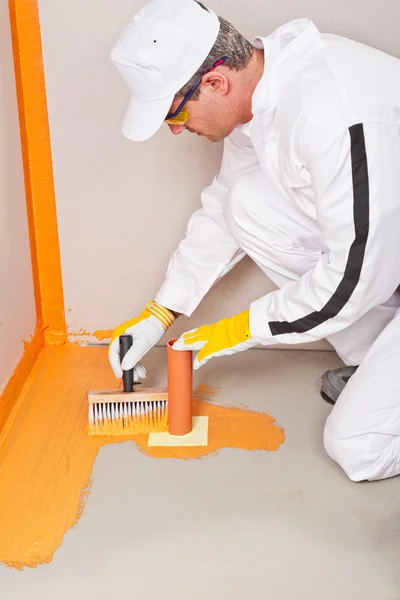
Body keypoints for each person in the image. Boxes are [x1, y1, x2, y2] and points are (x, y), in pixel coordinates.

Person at [108, 0, 400, 482]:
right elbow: (225, 206)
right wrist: (160, 312)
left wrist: (236, 330)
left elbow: (351, 279)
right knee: (244, 201)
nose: (177, 130)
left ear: (216, 82)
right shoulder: (260, 100)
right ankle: (378, 366)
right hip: (387, 255)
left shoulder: (333, 110)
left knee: (356, 447)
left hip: (375, 264)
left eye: (174, 113)